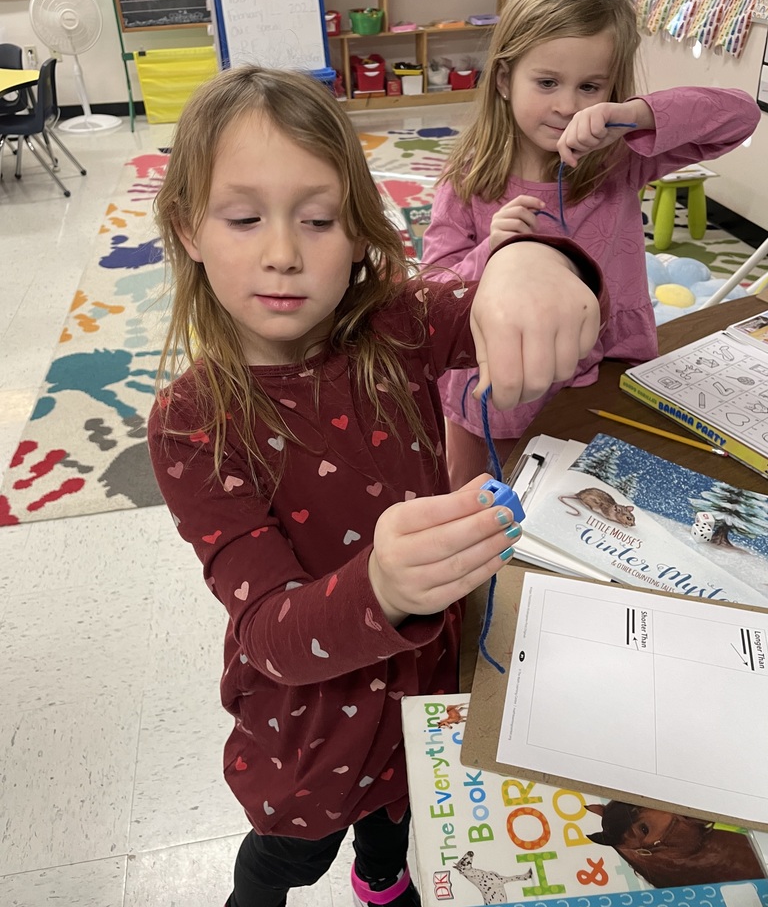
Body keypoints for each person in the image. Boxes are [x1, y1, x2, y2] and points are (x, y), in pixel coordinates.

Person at [147, 65, 606, 907]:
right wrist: (383, 587)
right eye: (244, 218)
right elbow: (269, 635)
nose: (283, 252)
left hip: (423, 701)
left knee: (398, 837)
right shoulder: (192, 422)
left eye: (318, 220)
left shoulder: (396, 329)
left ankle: (384, 884)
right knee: (283, 860)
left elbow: (500, 301)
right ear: (188, 229)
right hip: (305, 740)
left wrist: (531, 258)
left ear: (359, 233)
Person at [422, 0, 761, 489]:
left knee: (592, 497)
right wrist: (491, 253)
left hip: (605, 372)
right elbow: (430, 290)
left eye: (590, 86)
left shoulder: (622, 157)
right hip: (503, 392)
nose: (567, 106)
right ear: (503, 79)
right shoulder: (470, 176)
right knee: (480, 506)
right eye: (547, 82)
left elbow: (739, 116)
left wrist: (635, 115)